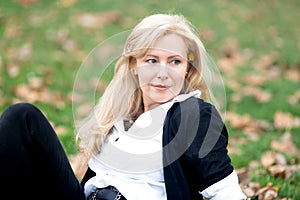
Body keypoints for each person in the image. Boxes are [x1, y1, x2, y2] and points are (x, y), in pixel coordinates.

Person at [0, 13, 247, 200]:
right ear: (133, 65)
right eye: (152, 60)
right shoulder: (120, 115)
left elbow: (226, 192)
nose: (163, 73)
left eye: (174, 61)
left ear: (187, 69)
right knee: (22, 116)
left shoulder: (192, 115)